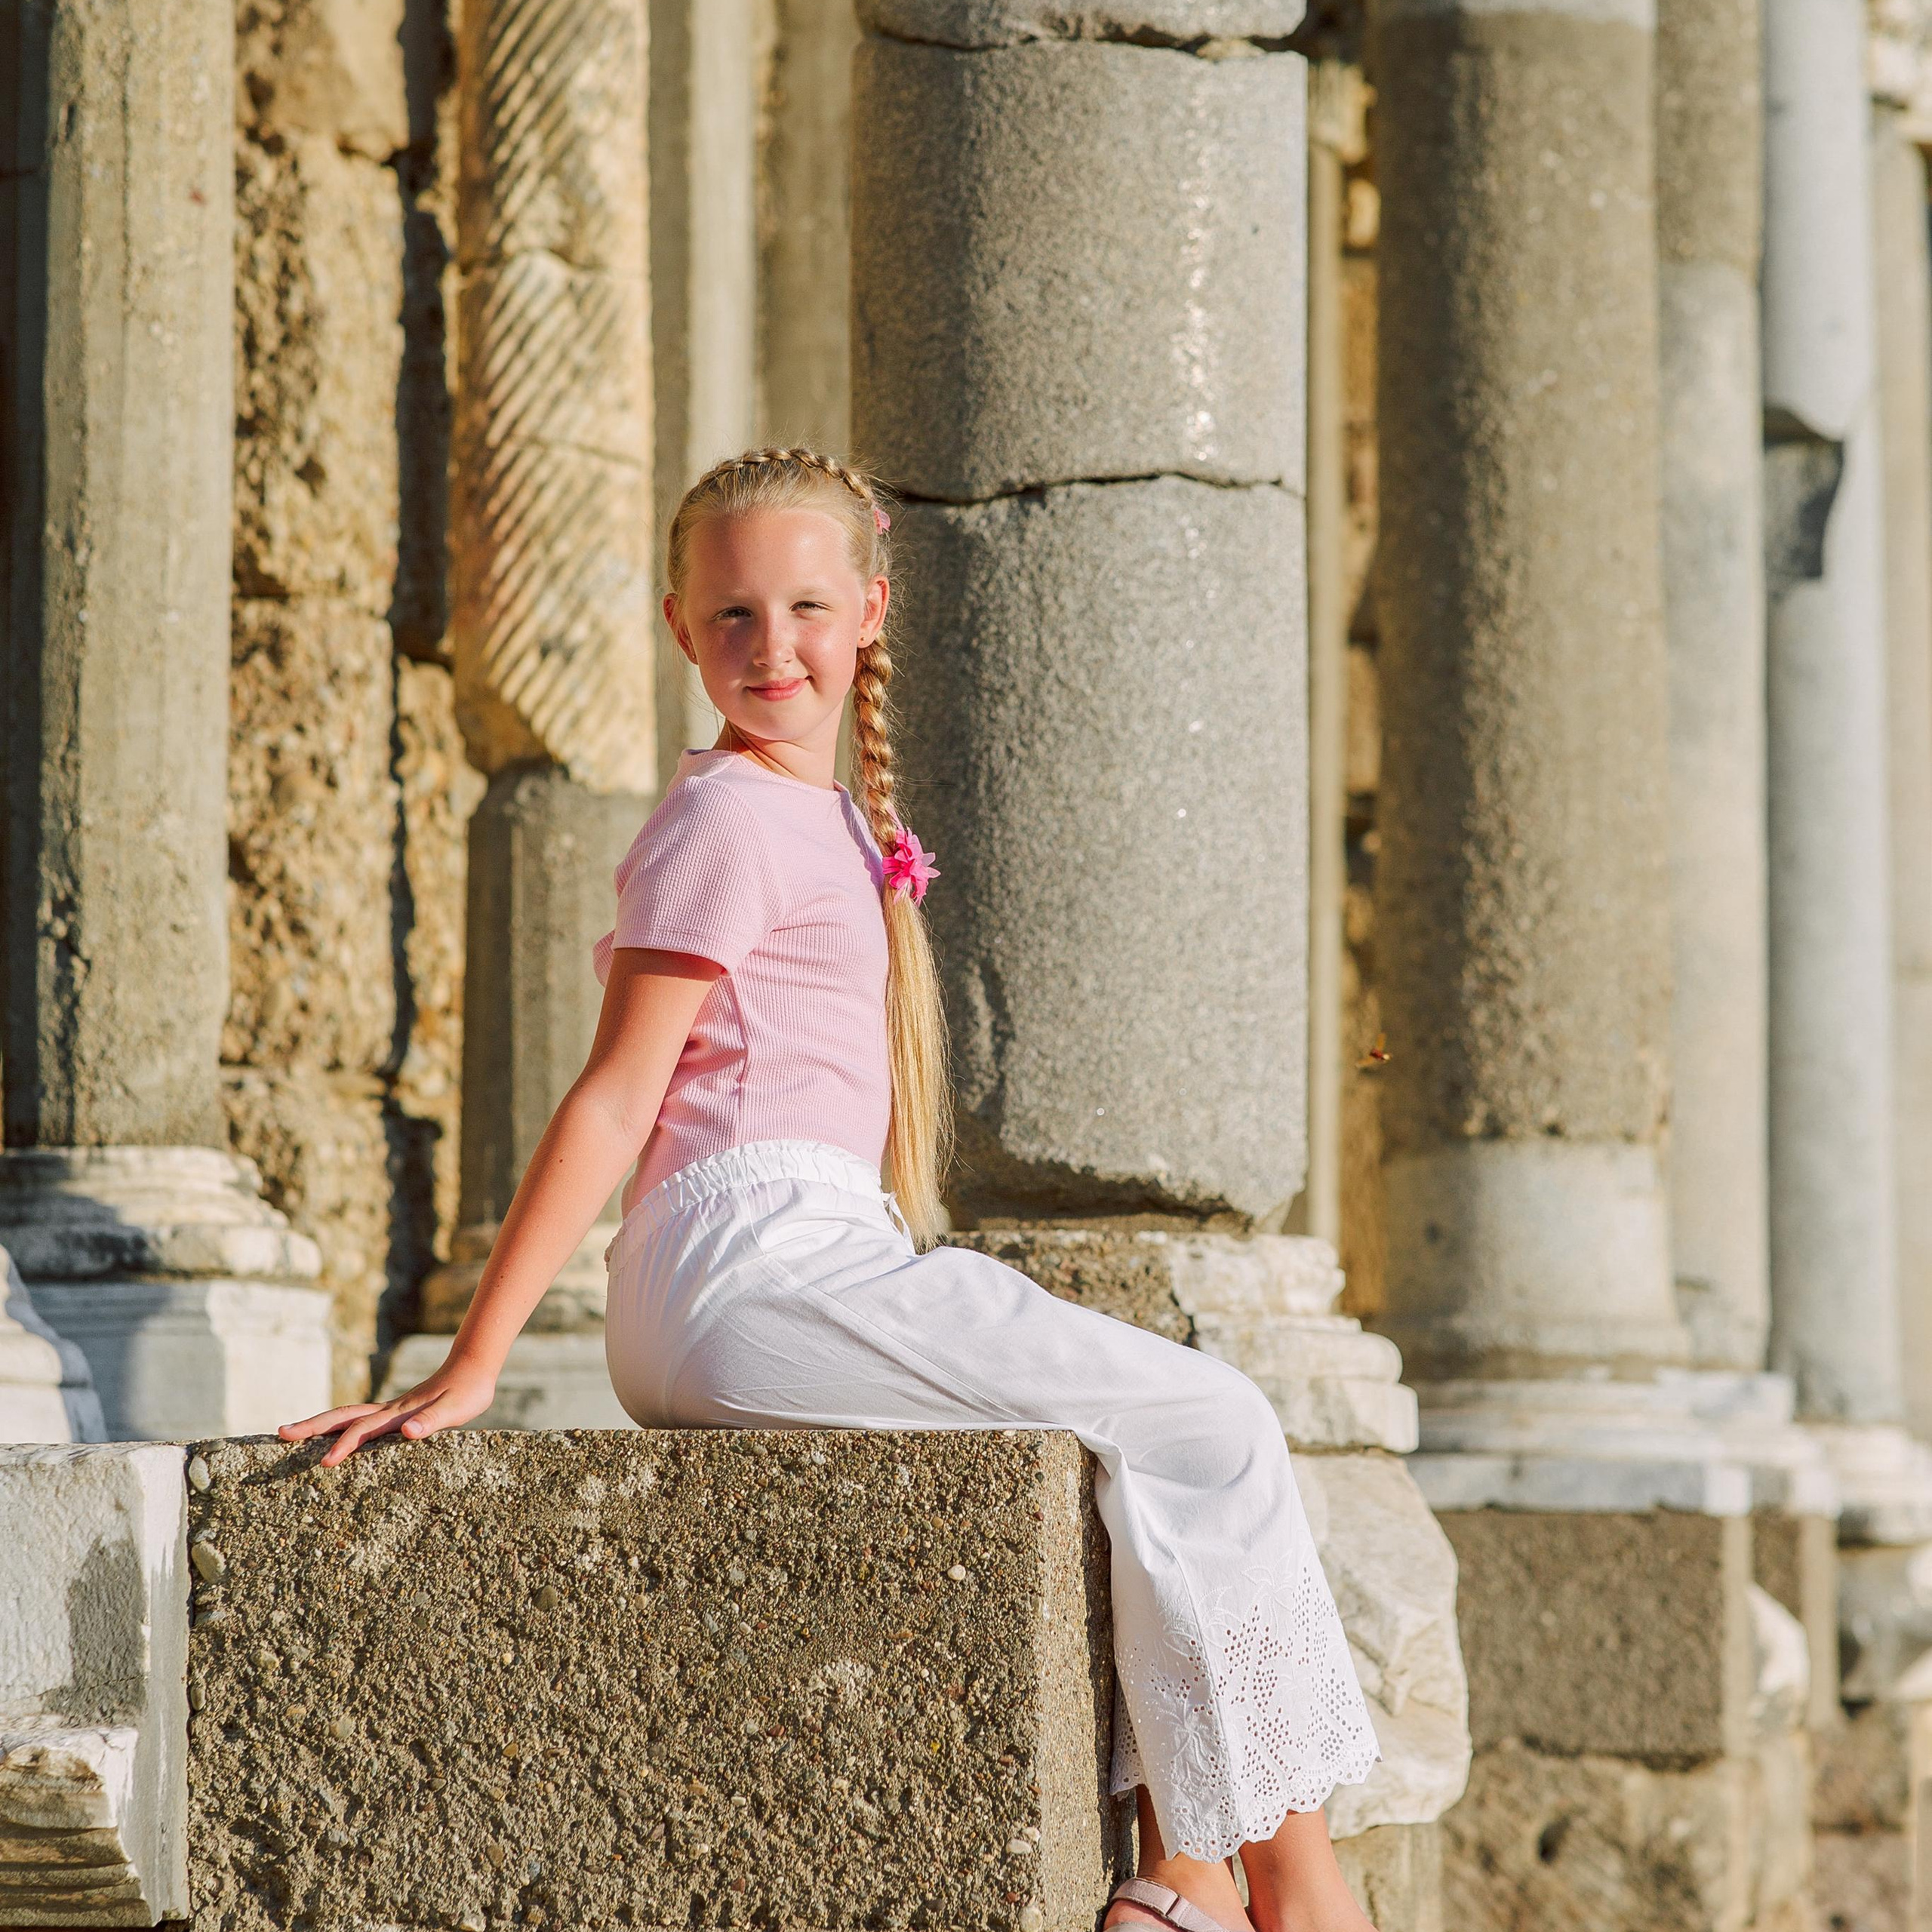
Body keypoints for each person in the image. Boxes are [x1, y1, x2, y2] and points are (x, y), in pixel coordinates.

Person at [281, 447, 1381, 1932]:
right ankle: (1285, 1880)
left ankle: (1180, 1877)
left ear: (868, 608)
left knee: (1131, 1428)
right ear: (680, 629)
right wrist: (472, 1359)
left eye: (803, 605)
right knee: (1216, 1420)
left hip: (785, 1260)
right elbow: (617, 1093)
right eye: (730, 614)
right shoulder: (726, 817)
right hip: (748, 1270)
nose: (769, 644)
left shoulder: (828, 823)